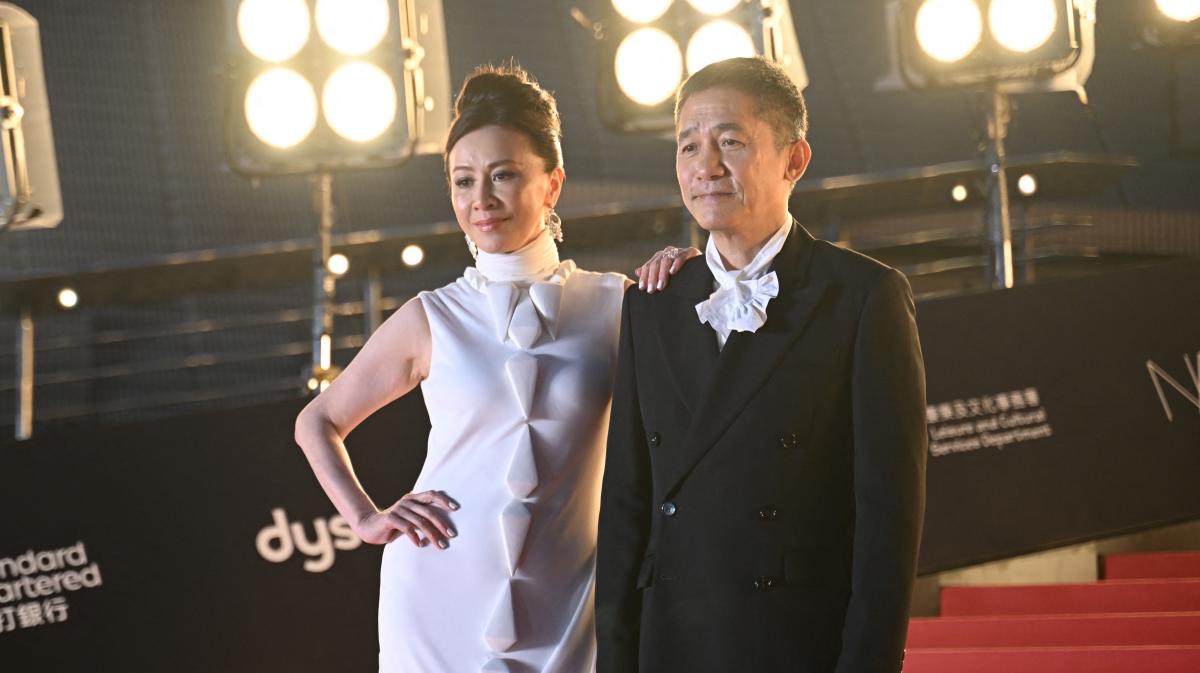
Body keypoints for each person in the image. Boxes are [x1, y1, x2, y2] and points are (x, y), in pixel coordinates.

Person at [293, 65, 695, 673]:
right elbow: (317, 421)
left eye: (503, 174)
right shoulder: (431, 316)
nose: (480, 199)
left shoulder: (616, 302)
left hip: (571, 598)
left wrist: (693, 276)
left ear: (552, 184)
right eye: (463, 181)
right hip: (436, 593)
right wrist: (367, 519)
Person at [595, 57, 928, 673]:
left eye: (731, 142)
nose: (705, 167)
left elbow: (888, 521)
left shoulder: (862, 296)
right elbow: (624, 505)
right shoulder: (652, 303)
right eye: (688, 147)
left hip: (795, 643)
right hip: (670, 643)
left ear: (794, 160)